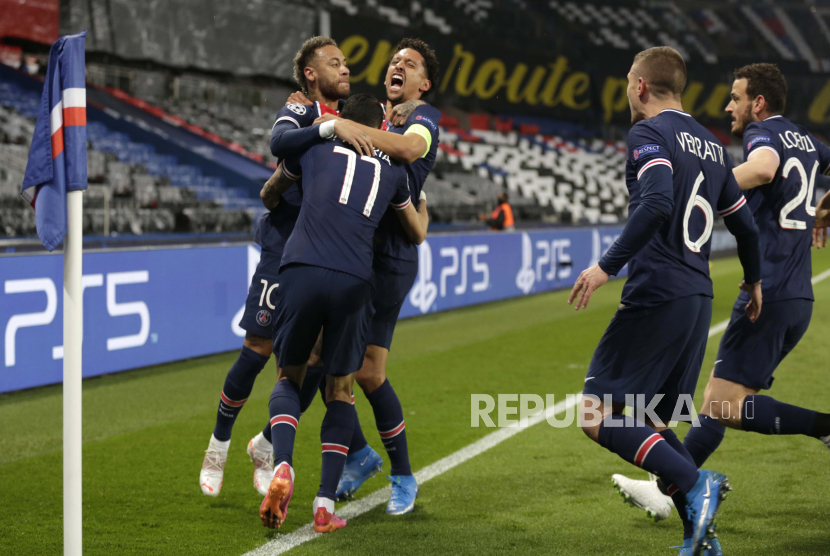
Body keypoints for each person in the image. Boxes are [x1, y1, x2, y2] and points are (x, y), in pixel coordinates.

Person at [610, 63, 830, 540]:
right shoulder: (811, 143)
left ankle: (821, 428)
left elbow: (766, 168)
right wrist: (823, 208)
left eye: (736, 97)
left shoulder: (763, 134)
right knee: (715, 402)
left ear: (760, 104)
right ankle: (672, 486)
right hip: (797, 294)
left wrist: (712, 180)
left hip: (766, 290)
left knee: (724, 405)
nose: (729, 106)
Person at [568, 47, 763, 556]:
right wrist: (755, 280)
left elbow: (655, 202)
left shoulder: (648, 133)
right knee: (654, 423)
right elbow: (743, 225)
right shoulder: (713, 146)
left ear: (639, 87)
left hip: (658, 292)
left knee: (595, 414)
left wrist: (605, 266)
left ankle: (698, 483)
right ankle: (701, 540)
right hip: (698, 297)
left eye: (627, 83)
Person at [199, 36, 372, 498]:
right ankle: (217, 447)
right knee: (258, 346)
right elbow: (279, 142)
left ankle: (267, 445)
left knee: (311, 360)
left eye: (346, 63)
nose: (345, 68)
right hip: (286, 247)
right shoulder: (302, 110)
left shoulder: (353, 118)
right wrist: (328, 129)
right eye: (334, 62)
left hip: (326, 253)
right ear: (311, 74)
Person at [258, 94, 428, 533]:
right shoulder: (393, 170)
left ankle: (282, 466)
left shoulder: (313, 147)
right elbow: (415, 231)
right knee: (340, 391)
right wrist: (420, 203)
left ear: (342, 121)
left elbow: (272, 189)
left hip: (302, 269)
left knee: (289, 379)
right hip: (355, 278)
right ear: (380, 126)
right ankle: (323, 506)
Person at [291, 38, 442, 514]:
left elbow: (408, 153)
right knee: (323, 361)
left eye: (410, 64)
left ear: (425, 83)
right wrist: (311, 110)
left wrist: (336, 125)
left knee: (368, 372)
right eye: (394, 59)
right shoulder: (375, 114)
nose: (397, 65)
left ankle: (401, 475)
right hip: (354, 254)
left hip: (390, 258)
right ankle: (356, 454)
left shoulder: (425, 118)